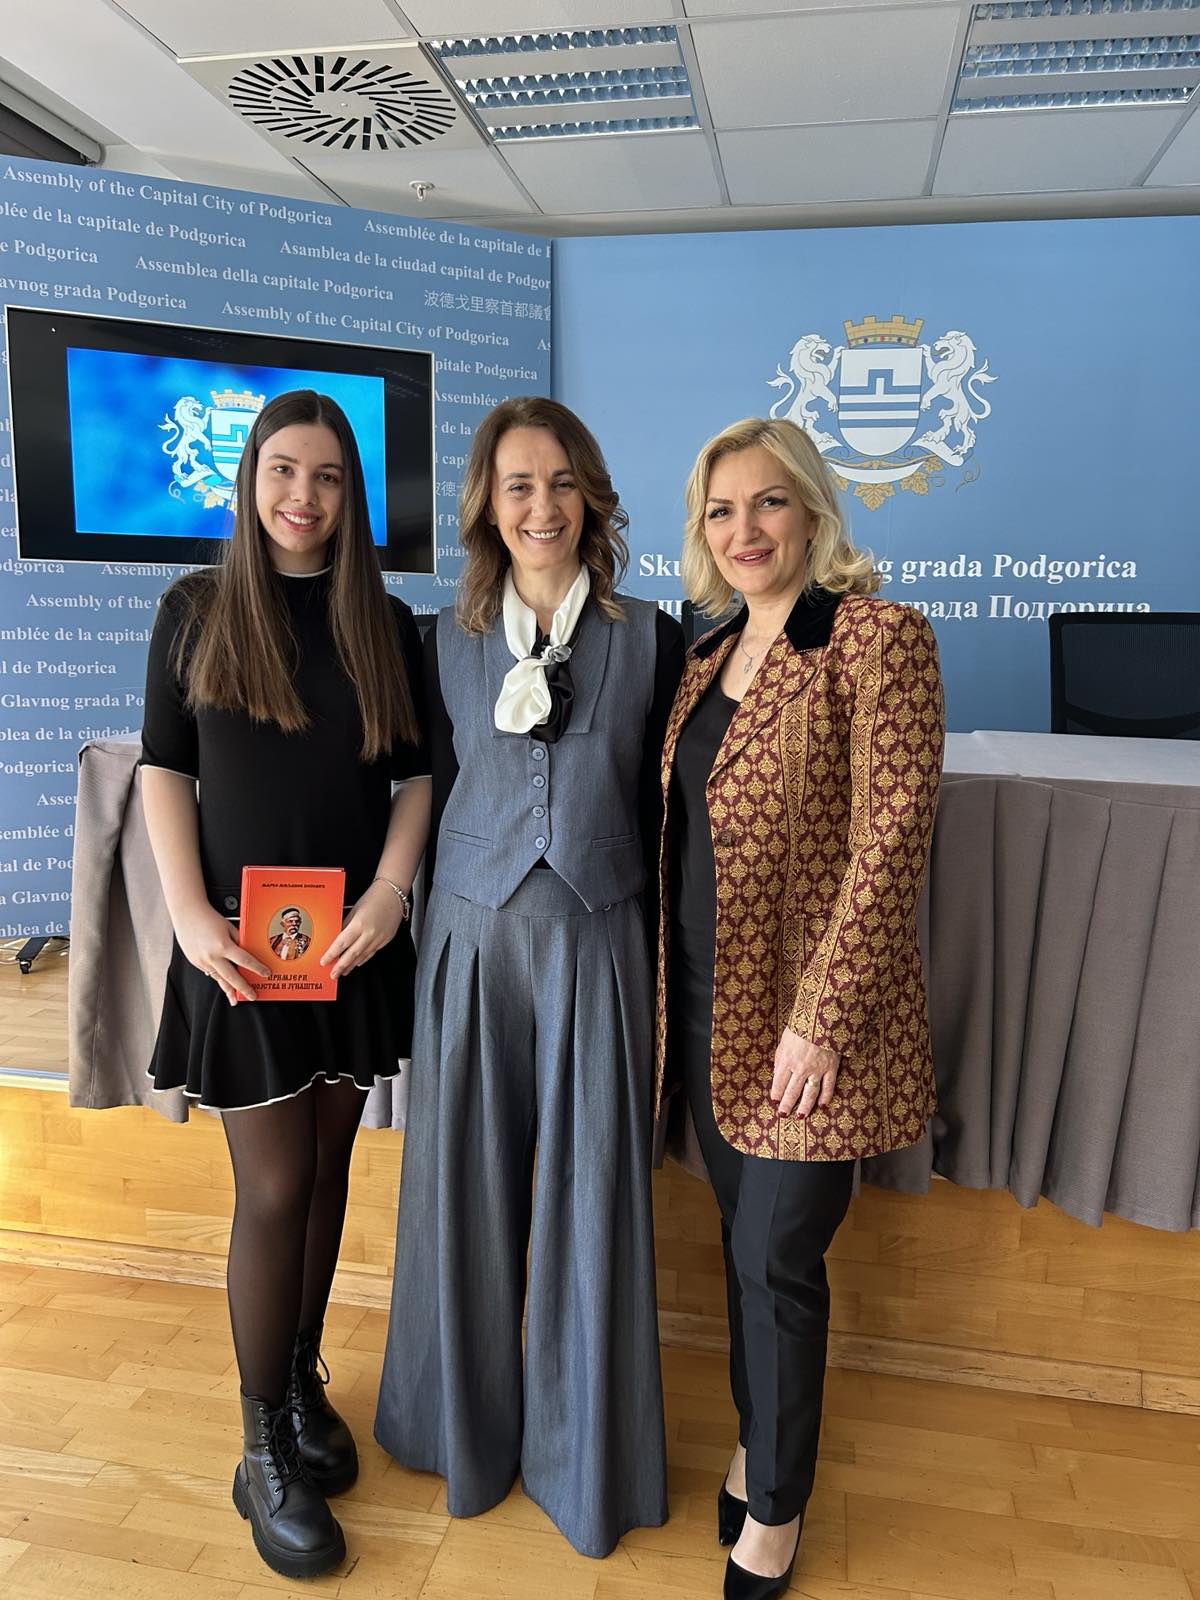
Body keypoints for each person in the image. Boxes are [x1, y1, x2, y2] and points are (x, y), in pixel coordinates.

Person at [374, 396, 684, 1558]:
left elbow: (666, 809)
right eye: (518, 485)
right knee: (459, 1192)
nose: (541, 505)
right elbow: (418, 784)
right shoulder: (438, 640)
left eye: (560, 482)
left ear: (590, 497)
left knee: (594, 1199)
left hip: (599, 937)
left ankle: (584, 1457)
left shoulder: (654, 637)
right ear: (487, 505)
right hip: (471, 936)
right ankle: (458, 1430)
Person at [140, 389, 430, 1581]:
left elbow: (415, 778)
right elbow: (165, 768)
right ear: (249, 479)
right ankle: (261, 1446)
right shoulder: (195, 609)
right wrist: (187, 914)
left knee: (326, 1174)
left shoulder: (386, 622)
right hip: (241, 954)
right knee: (271, 1187)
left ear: (350, 493)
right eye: (282, 470)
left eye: (326, 476)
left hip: (349, 946)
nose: (302, 496)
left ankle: (301, 1382)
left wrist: (392, 893)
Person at [658, 417, 944, 1600]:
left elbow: (892, 837)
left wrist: (821, 1016)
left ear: (813, 510)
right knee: (744, 1244)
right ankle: (756, 1441)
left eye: (768, 502)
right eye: (721, 510)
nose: (745, 530)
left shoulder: (876, 636)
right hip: (702, 1001)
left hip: (809, 1025)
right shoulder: (705, 651)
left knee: (777, 1257)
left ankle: (775, 1509)